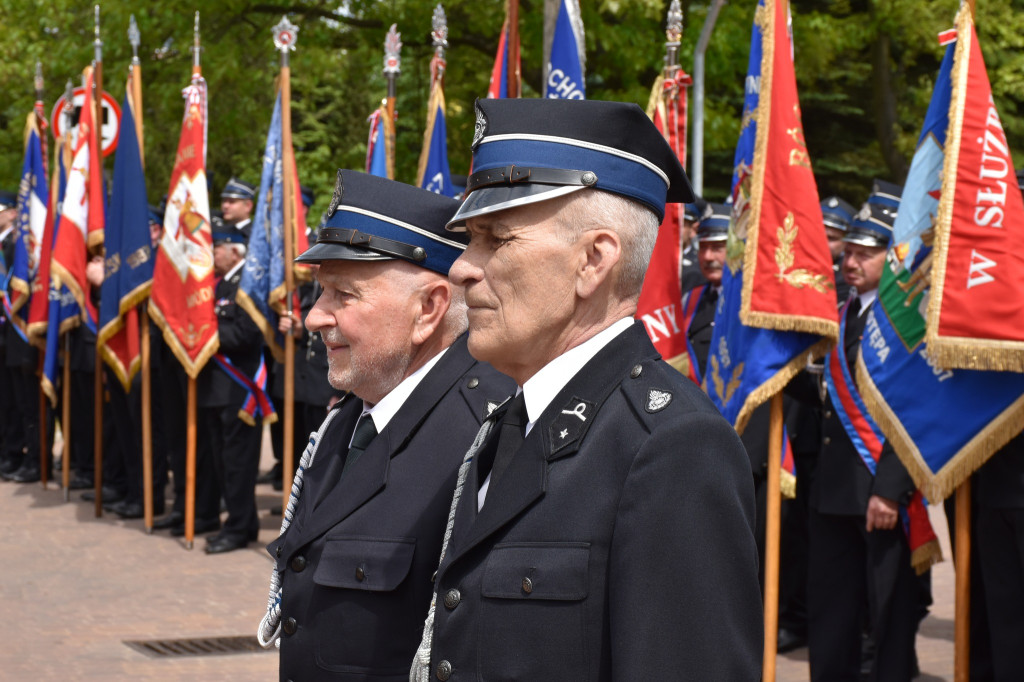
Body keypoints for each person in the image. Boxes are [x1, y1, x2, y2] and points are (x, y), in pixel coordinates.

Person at [413, 98, 762, 681]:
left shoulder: (672, 447)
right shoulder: (509, 421)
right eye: (469, 240)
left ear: (594, 260)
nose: (462, 268)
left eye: (496, 238)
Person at [259, 170, 515, 680]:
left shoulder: (489, 432)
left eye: (343, 295)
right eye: (320, 292)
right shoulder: (347, 417)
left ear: (428, 309)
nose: (315, 317)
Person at [792, 192, 922, 681]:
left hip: (878, 490)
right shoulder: (841, 312)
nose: (850, 261)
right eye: (847, 251)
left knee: (887, 612)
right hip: (833, 488)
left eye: (865, 253)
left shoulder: (906, 318)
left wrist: (891, 487)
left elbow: (912, 408)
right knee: (832, 611)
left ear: (893, 256)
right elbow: (828, 395)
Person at [190, 225, 266, 552]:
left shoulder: (248, 284)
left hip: (238, 389)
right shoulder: (218, 284)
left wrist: (204, 326)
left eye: (217, 247)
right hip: (214, 388)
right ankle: (244, 522)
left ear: (235, 249)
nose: (212, 253)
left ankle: (236, 528)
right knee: (222, 462)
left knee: (237, 463)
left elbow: (245, 334)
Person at [820, 194, 854, 302]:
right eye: (818, 235)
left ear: (847, 243)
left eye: (831, 238)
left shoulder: (849, 277)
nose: (823, 242)